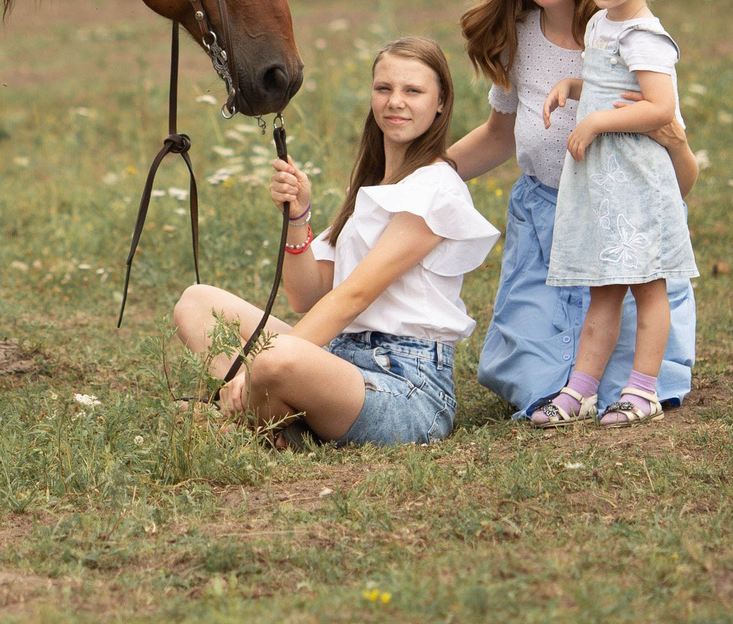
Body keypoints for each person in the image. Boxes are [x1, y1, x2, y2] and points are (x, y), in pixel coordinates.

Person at [446, 0, 700, 418]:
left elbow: (677, 172)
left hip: (620, 214)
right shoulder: (522, 39)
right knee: (533, 376)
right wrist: (423, 174)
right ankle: (568, 386)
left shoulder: (627, 35)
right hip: (546, 223)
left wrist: (670, 139)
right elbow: (499, 134)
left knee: (622, 369)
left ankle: (632, 388)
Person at [171, 37, 497, 447]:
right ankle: (264, 414)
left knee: (276, 357)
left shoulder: (436, 186)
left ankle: (237, 410)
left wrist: (254, 366)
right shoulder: (372, 187)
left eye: (413, 91)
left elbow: (354, 296)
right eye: (384, 88)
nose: (396, 101)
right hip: (339, 361)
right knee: (196, 302)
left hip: (406, 387)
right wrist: (297, 219)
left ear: (440, 104)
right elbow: (306, 297)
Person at [530, 0, 700, 427]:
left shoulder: (646, 35)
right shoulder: (603, 24)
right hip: (605, 182)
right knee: (601, 290)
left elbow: (659, 107)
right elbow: (611, 84)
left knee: (648, 286)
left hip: (635, 179)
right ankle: (580, 390)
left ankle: (643, 390)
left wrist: (595, 121)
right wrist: (575, 86)